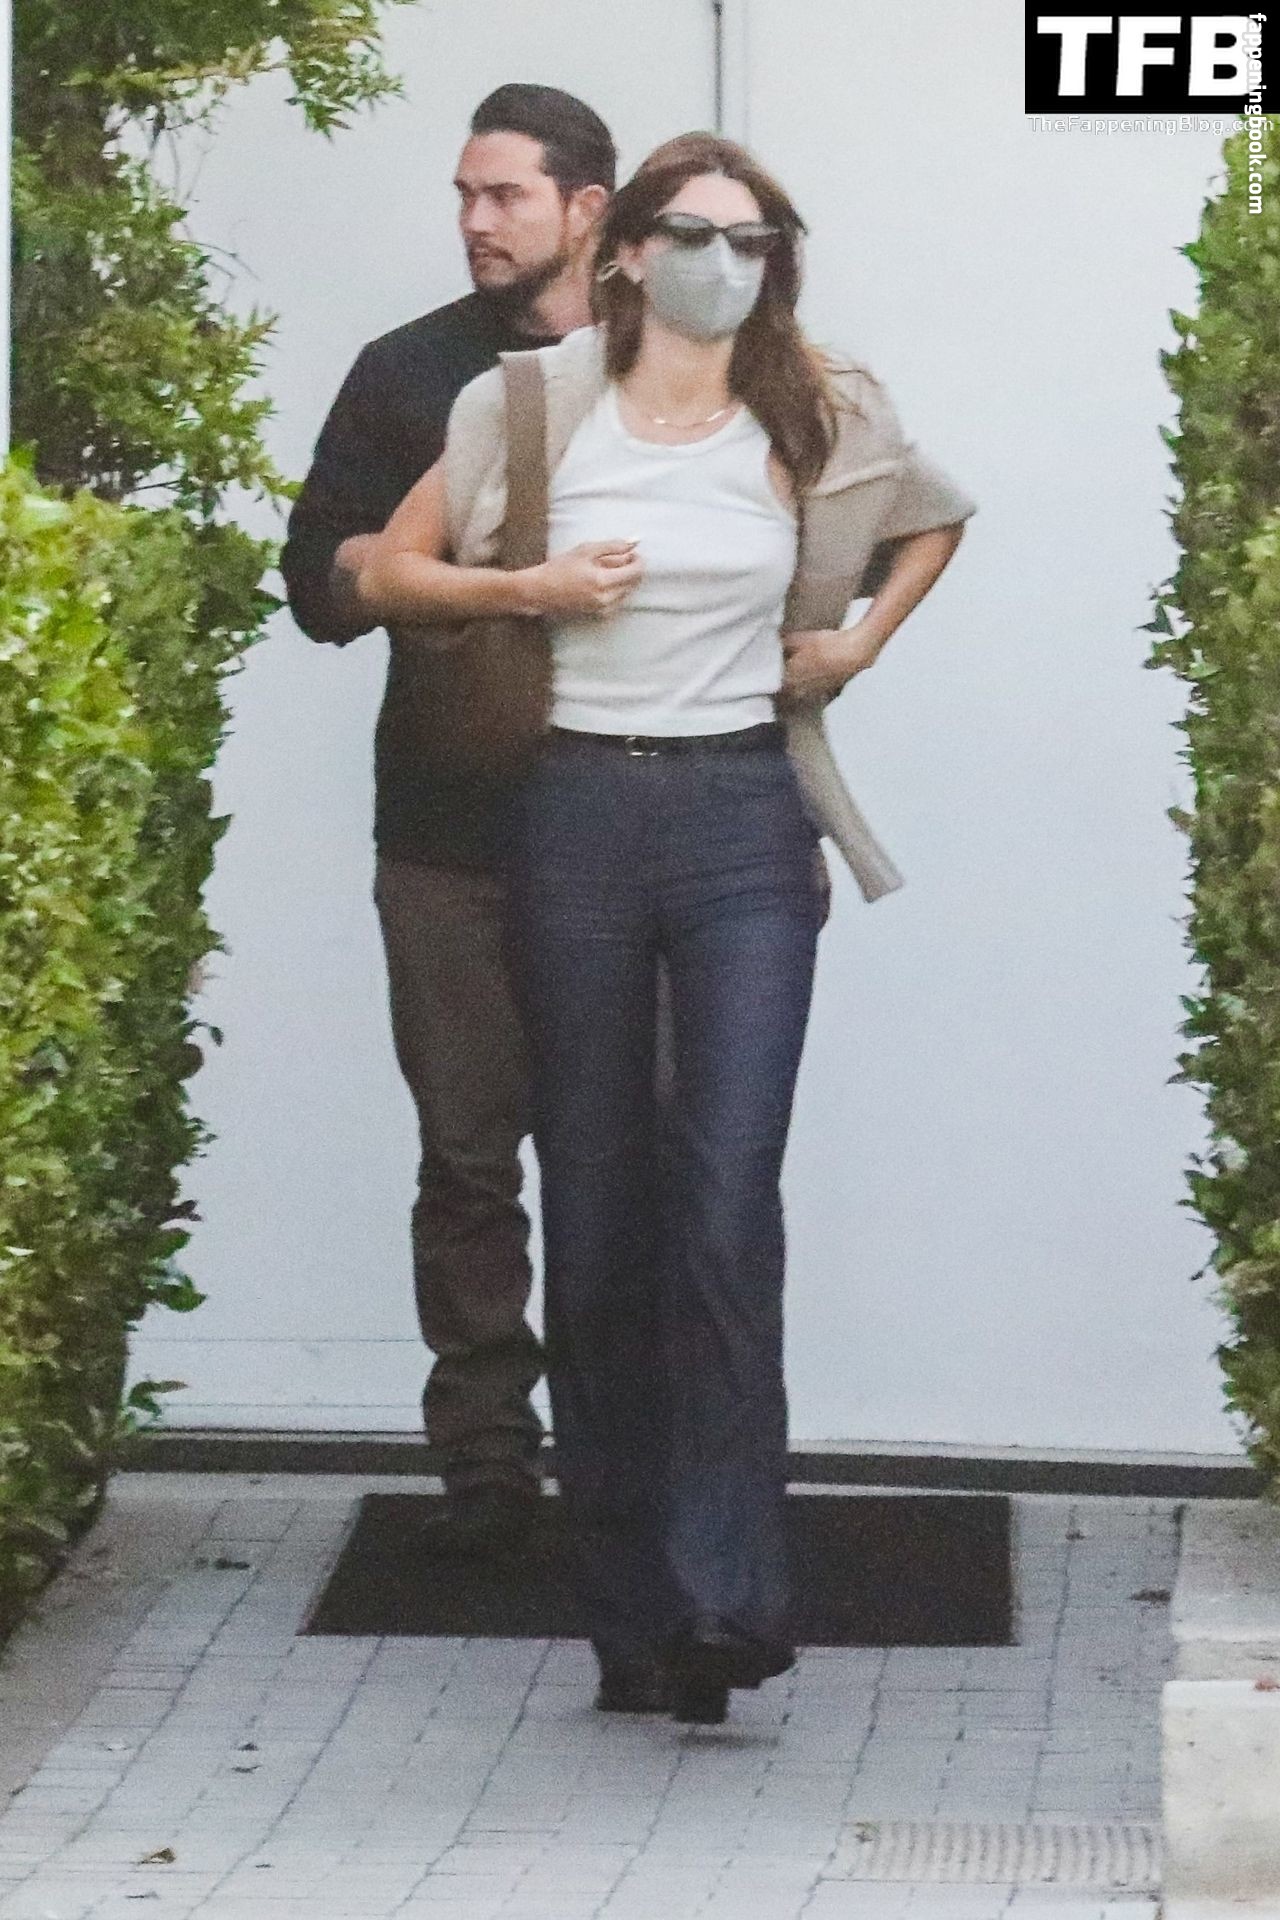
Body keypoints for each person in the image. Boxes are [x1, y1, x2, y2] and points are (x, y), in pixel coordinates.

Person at [348, 132, 977, 1722]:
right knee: (602, 1200)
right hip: (572, 816)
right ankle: (632, 1615)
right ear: (623, 248)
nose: (723, 264)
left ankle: (726, 1596)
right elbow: (385, 571)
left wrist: (858, 644)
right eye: (695, 234)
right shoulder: (530, 403)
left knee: (726, 1192)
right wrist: (532, 591)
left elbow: (938, 517)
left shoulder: (818, 407)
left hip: (745, 819)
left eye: (753, 241)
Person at [280, 85, 616, 1553]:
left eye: (505, 196)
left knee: (630, 1154)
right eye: (465, 196)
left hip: (629, 820)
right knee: (470, 1160)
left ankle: (628, 1445)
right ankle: (485, 1462)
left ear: (587, 208)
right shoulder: (411, 371)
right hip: (447, 831)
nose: (476, 221)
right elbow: (316, 585)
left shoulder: (669, 369)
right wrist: (441, 566)